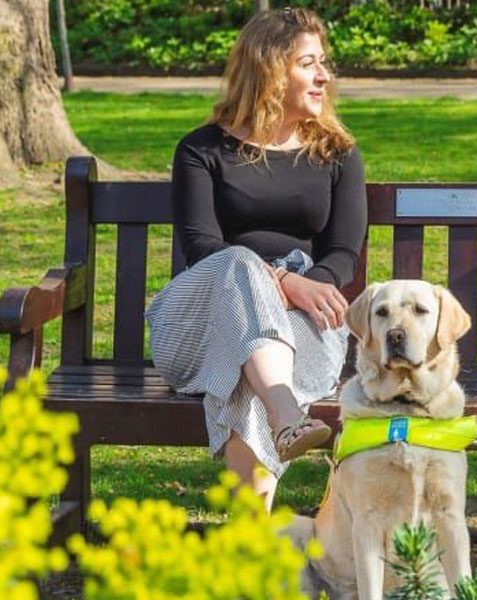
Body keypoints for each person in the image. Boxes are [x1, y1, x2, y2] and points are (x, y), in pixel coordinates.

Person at [145, 7, 366, 511]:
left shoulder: (337, 154)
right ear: (270, 70)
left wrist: (305, 288)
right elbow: (202, 245)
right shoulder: (202, 151)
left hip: (303, 324)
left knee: (251, 377)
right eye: (309, 64)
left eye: (323, 63)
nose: (324, 76)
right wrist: (287, 281)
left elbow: (343, 253)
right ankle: (286, 411)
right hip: (201, 321)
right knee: (239, 263)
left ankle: (249, 548)